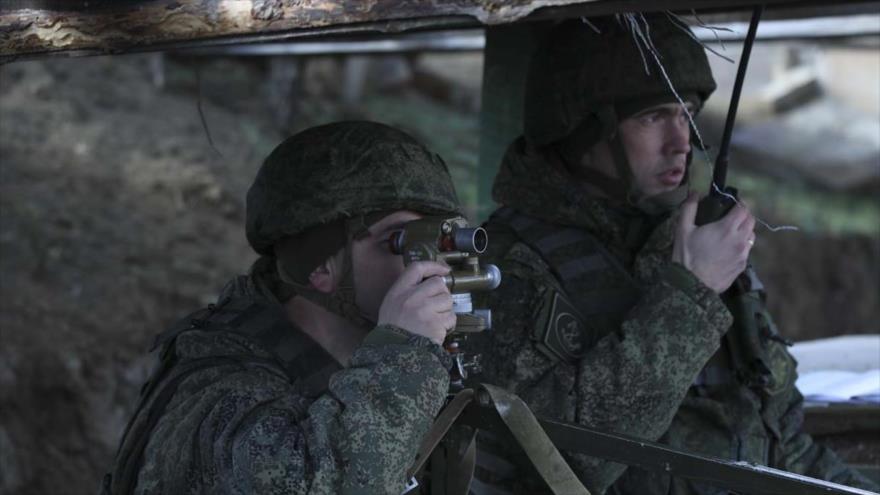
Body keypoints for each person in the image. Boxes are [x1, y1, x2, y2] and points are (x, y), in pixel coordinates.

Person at [469, 14, 878, 494]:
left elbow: (780, 443)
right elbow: (559, 463)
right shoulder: (508, 266)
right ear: (582, 129)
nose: (681, 143)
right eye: (652, 117)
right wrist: (691, 296)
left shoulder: (692, 242)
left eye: (685, 113)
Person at [103, 121, 465, 494]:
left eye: (437, 238)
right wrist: (404, 355)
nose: (431, 263)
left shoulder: (372, 367)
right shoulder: (224, 391)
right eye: (399, 240)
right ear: (321, 267)